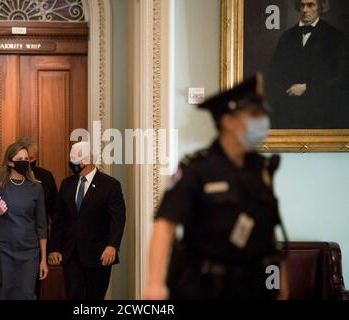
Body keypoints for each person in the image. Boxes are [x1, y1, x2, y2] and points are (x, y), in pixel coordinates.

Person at [144, 75, 289, 300]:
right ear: (228, 121)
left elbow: (269, 236)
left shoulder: (260, 168)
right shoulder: (196, 168)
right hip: (204, 287)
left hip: (254, 287)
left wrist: (280, 285)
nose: (262, 121)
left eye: (262, 114)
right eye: (253, 115)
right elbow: (165, 225)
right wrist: (154, 284)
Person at [48, 142, 126, 300]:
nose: (72, 164)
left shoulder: (110, 185)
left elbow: (118, 219)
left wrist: (112, 246)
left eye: (75, 160)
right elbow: (59, 218)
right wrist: (54, 248)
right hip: (70, 254)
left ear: (86, 161)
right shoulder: (67, 184)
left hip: (99, 254)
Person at [266, 0, 348, 129]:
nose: (305, 10)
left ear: (321, 7)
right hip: (290, 117)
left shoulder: (335, 37)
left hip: (322, 117)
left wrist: (307, 88)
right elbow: (274, 74)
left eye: (311, 5)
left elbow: (339, 77)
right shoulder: (286, 37)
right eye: (302, 5)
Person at [0, 140, 49, 300]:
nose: (24, 162)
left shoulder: (36, 187)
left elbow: (41, 226)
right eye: (20, 159)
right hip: (4, 250)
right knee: (5, 294)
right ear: (10, 162)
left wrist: (43, 259)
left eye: (26, 159)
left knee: (27, 295)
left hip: (29, 252)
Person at [17, 137, 58, 300]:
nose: (29, 162)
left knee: (33, 291)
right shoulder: (2, 177)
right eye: (25, 159)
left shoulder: (45, 177)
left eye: (32, 159)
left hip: (36, 245)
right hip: (9, 245)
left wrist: (52, 248)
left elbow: (56, 214)